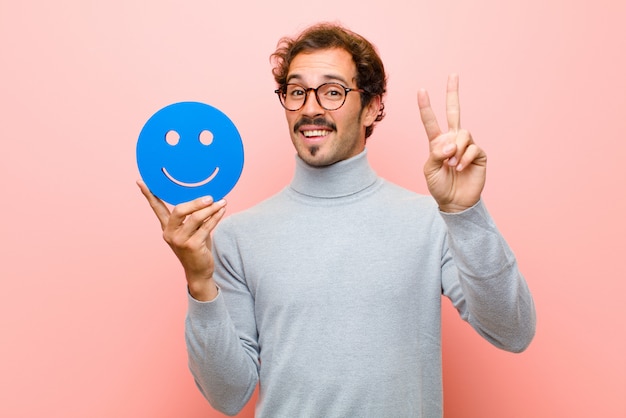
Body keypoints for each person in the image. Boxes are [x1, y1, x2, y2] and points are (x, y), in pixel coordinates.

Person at [138, 22, 536, 418]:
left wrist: (464, 214)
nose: (310, 108)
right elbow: (228, 395)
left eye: (332, 92)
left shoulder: (430, 223)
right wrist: (200, 282)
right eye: (296, 92)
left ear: (373, 106)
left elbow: (513, 330)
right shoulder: (238, 237)